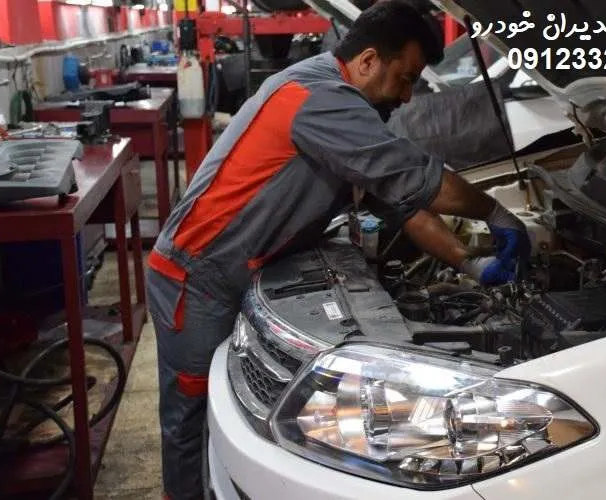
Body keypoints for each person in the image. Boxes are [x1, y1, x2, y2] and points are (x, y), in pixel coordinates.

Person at [145, 2, 529, 499]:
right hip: (195, 278)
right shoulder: (316, 97)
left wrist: (470, 263)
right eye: (405, 78)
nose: (408, 96)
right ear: (368, 61)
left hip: (234, 271)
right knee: (192, 420)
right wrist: (496, 212)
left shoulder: (343, 107)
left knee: (231, 416)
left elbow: (405, 205)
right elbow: (416, 178)